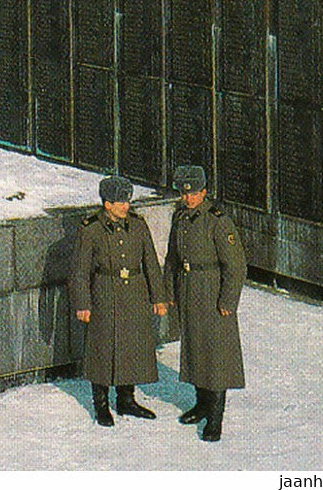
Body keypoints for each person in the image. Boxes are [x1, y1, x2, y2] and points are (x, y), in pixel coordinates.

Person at [70, 174, 170, 426]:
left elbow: (150, 263)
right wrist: (83, 303)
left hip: (135, 293)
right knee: (102, 349)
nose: (125, 206)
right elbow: (80, 271)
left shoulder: (138, 225)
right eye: (120, 202)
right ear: (107, 204)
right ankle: (101, 404)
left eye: (127, 201)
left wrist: (158, 298)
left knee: (131, 347)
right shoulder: (91, 229)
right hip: (105, 292)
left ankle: (126, 399)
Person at [166, 165, 246, 442]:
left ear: (204, 192)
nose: (188, 198)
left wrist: (228, 299)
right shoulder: (180, 217)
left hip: (212, 291)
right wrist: (170, 291)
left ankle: (215, 418)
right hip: (189, 289)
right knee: (195, 350)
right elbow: (171, 259)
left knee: (216, 356)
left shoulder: (218, 220)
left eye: (194, 194)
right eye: (184, 194)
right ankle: (201, 404)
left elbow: (236, 265)